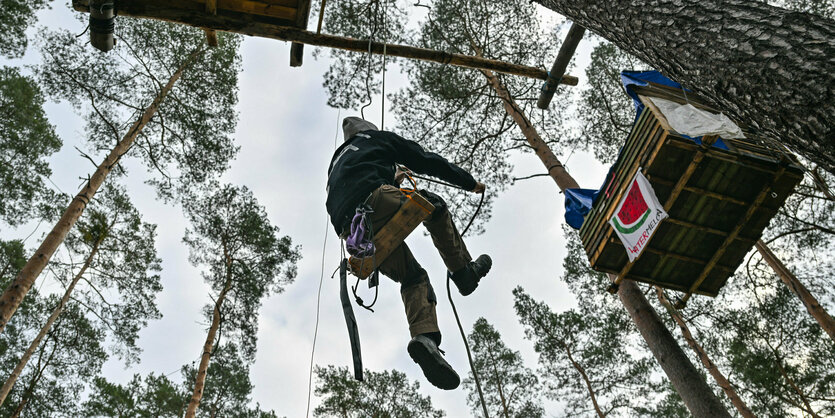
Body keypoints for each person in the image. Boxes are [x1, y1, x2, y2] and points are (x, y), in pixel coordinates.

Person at [326, 117, 492, 390]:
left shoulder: (337, 164)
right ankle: (464, 273)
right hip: (374, 202)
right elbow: (426, 159)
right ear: (369, 132)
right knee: (433, 204)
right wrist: (469, 182)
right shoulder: (375, 140)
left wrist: (392, 174)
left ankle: (425, 339)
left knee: (412, 276)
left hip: (355, 237)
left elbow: (355, 183)